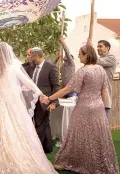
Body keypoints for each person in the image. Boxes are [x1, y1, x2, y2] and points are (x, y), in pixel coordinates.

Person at [0, 42, 58, 174]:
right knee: (16, 130)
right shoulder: (13, 65)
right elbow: (28, 82)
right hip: (11, 101)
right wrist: (41, 94)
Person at [40, 44, 119, 174]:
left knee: (76, 136)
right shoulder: (100, 69)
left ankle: (70, 162)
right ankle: (99, 163)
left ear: (86, 56)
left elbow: (66, 89)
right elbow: (104, 91)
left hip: (83, 107)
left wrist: (49, 99)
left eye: (80, 54)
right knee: (98, 137)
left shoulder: (83, 71)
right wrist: (103, 107)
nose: (78, 56)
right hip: (98, 107)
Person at [27, 47, 59, 153]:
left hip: (44, 101)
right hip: (32, 101)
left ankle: (37, 150)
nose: (30, 58)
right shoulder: (31, 67)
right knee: (44, 124)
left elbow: (55, 86)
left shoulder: (51, 67)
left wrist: (54, 102)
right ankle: (47, 148)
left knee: (40, 125)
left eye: (31, 56)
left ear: (37, 56)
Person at [96, 40, 116, 117]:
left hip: (104, 98)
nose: (98, 48)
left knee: (101, 126)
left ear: (107, 48)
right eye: (97, 46)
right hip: (96, 97)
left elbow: (98, 61)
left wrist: (90, 49)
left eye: (100, 46)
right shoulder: (98, 59)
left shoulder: (111, 57)